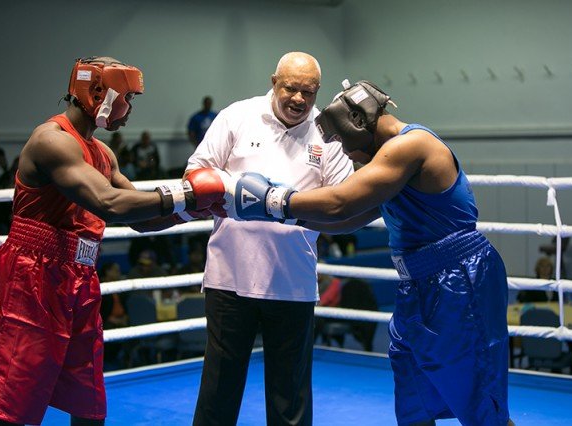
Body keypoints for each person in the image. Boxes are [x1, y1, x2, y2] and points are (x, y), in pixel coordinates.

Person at [217, 80, 513, 425]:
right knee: (413, 401)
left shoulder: (411, 145)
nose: (342, 149)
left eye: (341, 138)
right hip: (416, 285)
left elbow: (341, 203)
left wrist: (272, 200)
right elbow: (348, 220)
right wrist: (284, 215)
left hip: (459, 282)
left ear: (357, 120)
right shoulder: (389, 162)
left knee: (480, 407)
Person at [0, 56, 225, 426]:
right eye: (128, 97)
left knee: (88, 406)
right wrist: (188, 194)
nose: (131, 109)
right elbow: (109, 203)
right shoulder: (52, 141)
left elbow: (141, 218)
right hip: (32, 278)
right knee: (11, 411)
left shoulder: (104, 153)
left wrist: (204, 207)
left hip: (80, 279)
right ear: (99, 94)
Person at [183, 52, 355, 426]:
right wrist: (241, 192)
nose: (299, 99)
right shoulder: (237, 116)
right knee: (218, 393)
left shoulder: (328, 133)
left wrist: (282, 206)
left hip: (292, 282)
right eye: (291, 88)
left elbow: (344, 200)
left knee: (289, 399)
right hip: (230, 277)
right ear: (274, 81)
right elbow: (196, 175)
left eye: (308, 92)